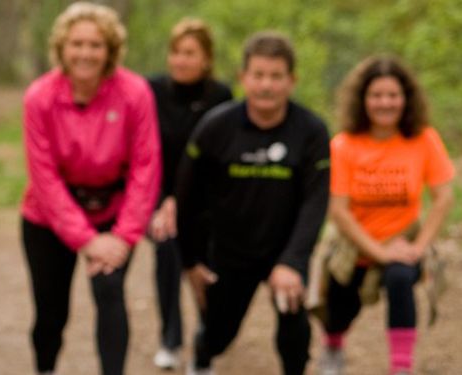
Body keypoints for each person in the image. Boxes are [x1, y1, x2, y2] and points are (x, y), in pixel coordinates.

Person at [175, 31, 329, 375]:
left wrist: (293, 260)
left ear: (292, 81)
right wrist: (191, 261)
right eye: (258, 75)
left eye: (276, 76)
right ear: (243, 78)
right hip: (229, 251)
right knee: (218, 333)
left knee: (294, 329)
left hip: (284, 249)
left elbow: (316, 201)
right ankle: (201, 361)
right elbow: (187, 199)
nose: (266, 85)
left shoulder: (312, 130)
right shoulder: (215, 127)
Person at [20, 3, 160, 375]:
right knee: (51, 310)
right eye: (77, 43)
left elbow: (146, 167)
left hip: (112, 214)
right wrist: (84, 239)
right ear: (62, 48)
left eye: (96, 44)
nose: (85, 53)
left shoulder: (135, 93)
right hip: (49, 217)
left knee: (109, 291)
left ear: (110, 49)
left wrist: (124, 236)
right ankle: (45, 368)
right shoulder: (39, 97)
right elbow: (44, 177)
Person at [315, 55, 454, 375]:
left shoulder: (424, 139)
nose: (385, 103)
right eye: (376, 95)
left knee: (400, 277)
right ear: (362, 100)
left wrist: (418, 247)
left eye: (392, 95)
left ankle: (400, 367)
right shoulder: (344, 145)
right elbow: (338, 210)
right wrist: (377, 251)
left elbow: (444, 198)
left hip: (402, 241)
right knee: (339, 308)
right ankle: (333, 344)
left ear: (406, 99)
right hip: (354, 243)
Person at [145, 18, 233, 370]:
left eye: (190, 53)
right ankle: (170, 337)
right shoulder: (150, 91)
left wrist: (186, 202)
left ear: (206, 59)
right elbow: (145, 151)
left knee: (206, 263)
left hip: (205, 199)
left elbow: (220, 157)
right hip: (157, 191)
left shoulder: (220, 96)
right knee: (167, 249)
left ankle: (205, 339)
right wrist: (165, 199)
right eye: (176, 53)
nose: (181, 60)